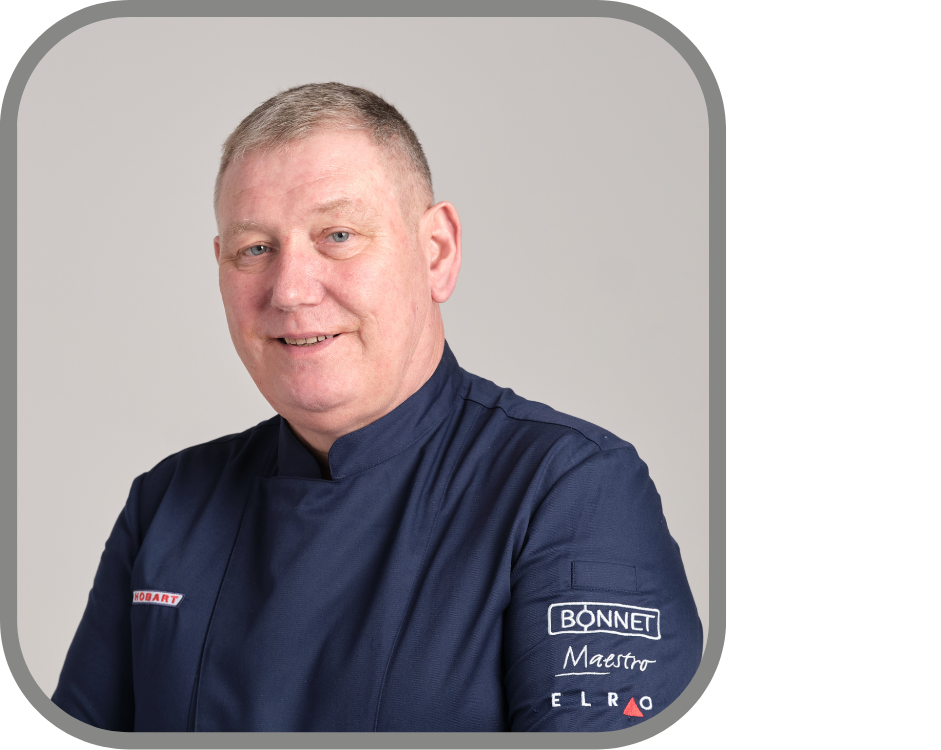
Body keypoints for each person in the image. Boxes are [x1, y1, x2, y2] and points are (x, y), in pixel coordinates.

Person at [50, 82, 701, 732]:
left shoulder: (569, 490)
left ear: (437, 252)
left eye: (338, 235)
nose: (290, 290)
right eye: (256, 249)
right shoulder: (167, 504)